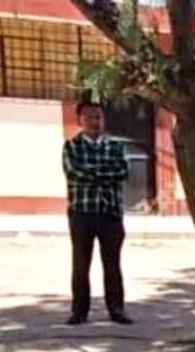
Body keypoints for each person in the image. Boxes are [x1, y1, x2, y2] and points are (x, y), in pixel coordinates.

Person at [62, 99, 131, 325]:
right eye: (89, 117)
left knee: (113, 264)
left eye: (98, 117)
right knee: (81, 264)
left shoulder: (116, 147)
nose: (94, 122)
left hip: (110, 213)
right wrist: (104, 173)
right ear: (80, 120)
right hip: (82, 213)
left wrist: (92, 173)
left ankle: (117, 310)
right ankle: (79, 312)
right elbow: (75, 173)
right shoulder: (71, 147)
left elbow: (122, 172)